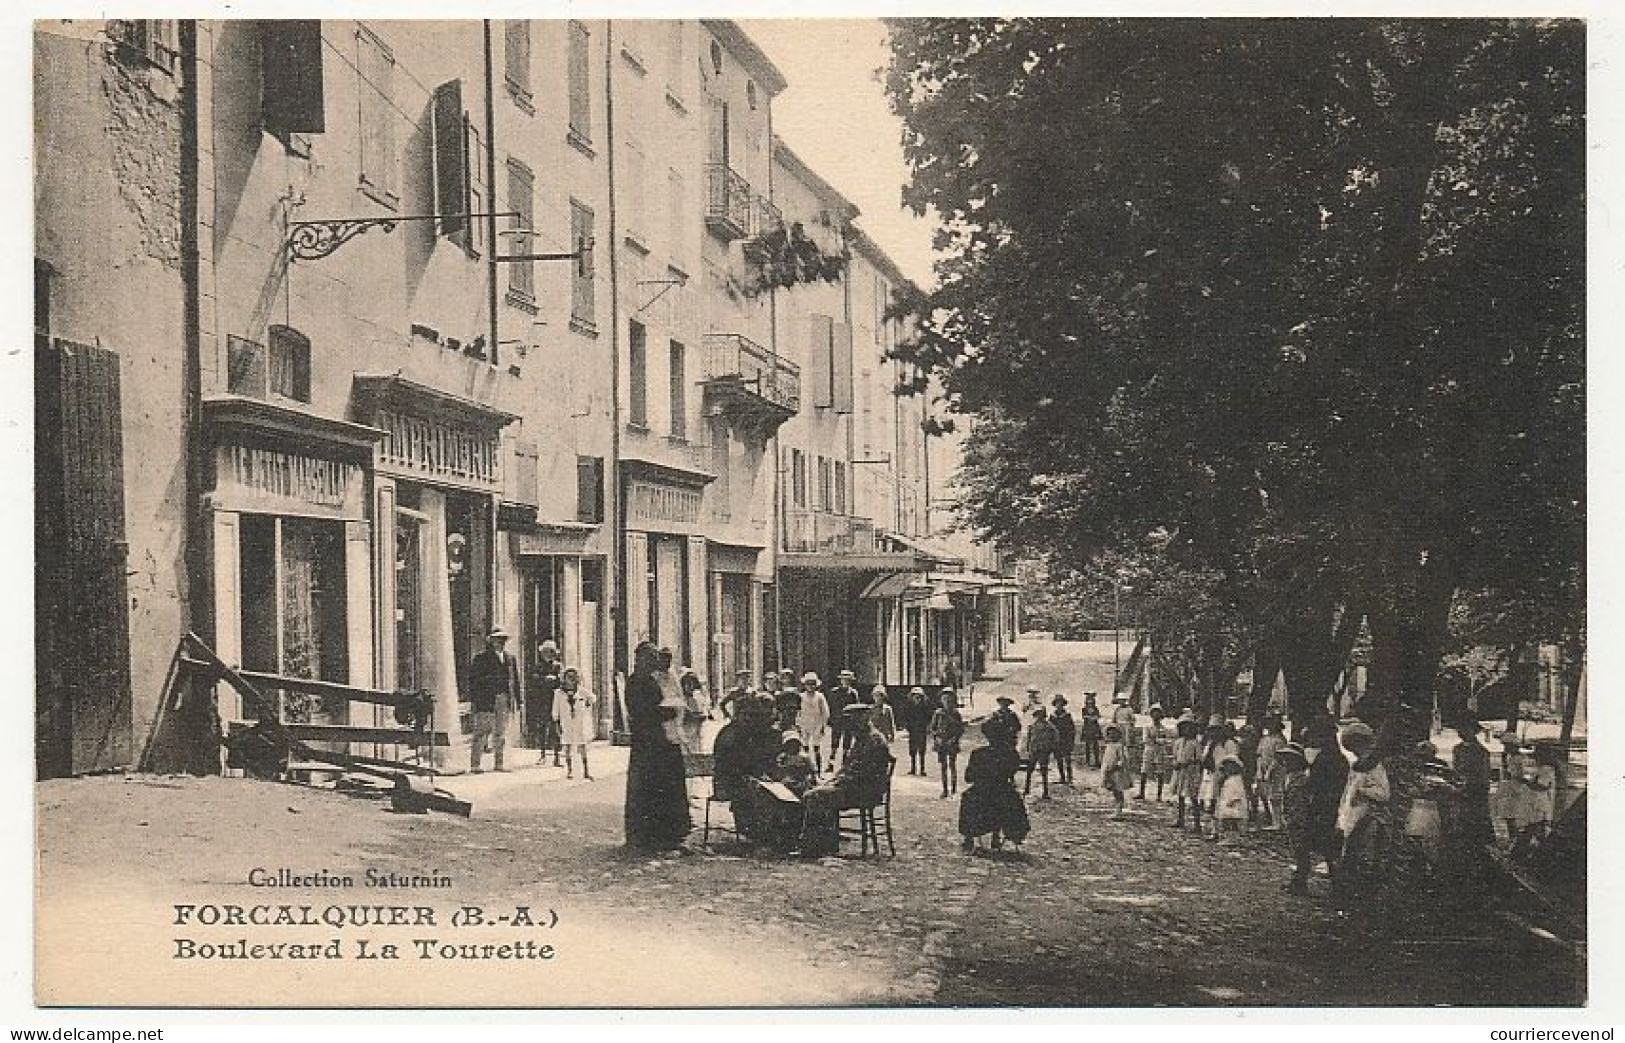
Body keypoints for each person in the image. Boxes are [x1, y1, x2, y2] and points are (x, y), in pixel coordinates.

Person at [624, 641, 693, 851]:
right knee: (648, 786)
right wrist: (666, 712)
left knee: (668, 783)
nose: (655, 661)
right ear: (641, 659)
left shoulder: (653, 680)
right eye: (651, 657)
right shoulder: (635, 682)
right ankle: (646, 834)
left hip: (661, 740)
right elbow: (641, 712)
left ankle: (669, 833)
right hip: (648, 742)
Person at [799, 706, 894, 856]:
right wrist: (833, 781)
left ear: (863, 720)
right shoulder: (864, 738)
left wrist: (837, 782)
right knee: (816, 791)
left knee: (814, 796)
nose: (850, 728)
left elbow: (863, 773)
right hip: (856, 787)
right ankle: (826, 844)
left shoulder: (873, 741)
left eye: (852, 723)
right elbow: (847, 768)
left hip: (864, 791)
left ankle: (813, 847)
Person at [1335, 721, 1393, 908]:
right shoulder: (1357, 766)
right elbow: (1348, 792)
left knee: (1366, 856)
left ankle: (1365, 896)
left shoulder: (1374, 766)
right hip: (1353, 816)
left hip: (1368, 817)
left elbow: (1384, 794)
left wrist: (1364, 792)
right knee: (1351, 854)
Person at [959, 718, 1031, 853]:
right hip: (1003, 790)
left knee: (968, 798)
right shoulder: (1010, 753)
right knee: (1011, 800)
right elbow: (1013, 771)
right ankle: (998, 835)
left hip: (981, 790)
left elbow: (968, 777)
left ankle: (968, 837)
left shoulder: (978, 753)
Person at [469, 629, 519, 773]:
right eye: (498, 639)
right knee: (481, 731)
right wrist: (475, 701)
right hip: (486, 699)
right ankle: (475, 764)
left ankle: (499, 763)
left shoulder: (510, 658)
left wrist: (517, 699)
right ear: (490, 641)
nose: (501, 643)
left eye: (503, 639)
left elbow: (514, 680)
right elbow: (473, 681)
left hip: (504, 698)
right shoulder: (481, 658)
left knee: (500, 732)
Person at [551, 667, 597, 780]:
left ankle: (586, 771)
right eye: (569, 677)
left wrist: (586, 704)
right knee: (567, 746)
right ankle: (570, 770)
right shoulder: (559, 693)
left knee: (582, 746)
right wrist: (557, 724)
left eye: (574, 677)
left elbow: (593, 698)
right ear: (564, 679)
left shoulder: (581, 691)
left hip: (579, 722)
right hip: (566, 722)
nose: (571, 680)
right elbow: (555, 710)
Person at [528, 639, 563, 765]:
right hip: (542, 700)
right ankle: (542, 754)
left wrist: (555, 679)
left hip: (555, 700)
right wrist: (544, 679)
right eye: (546, 652)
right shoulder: (538, 666)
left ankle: (557, 756)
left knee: (556, 728)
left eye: (551, 652)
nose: (548, 654)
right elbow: (534, 680)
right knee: (542, 727)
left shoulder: (558, 666)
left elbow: (563, 681)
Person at [929, 691, 967, 798]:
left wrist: (954, 739)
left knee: (952, 765)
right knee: (943, 766)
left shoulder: (956, 714)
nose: (947, 702)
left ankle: (954, 788)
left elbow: (960, 729)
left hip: (952, 743)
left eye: (949, 700)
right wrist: (937, 738)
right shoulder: (938, 713)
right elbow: (932, 728)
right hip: (941, 743)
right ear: (941, 701)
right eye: (944, 699)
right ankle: (945, 789)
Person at [1170, 717, 1204, 830]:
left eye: (1189, 727)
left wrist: (1189, 763)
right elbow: (1174, 756)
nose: (1186, 730)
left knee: (1193, 797)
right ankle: (1180, 819)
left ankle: (1197, 823)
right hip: (1180, 772)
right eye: (1184, 727)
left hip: (1190, 772)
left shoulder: (1195, 743)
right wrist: (1175, 763)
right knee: (1180, 796)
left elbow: (1199, 759)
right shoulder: (1178, 742)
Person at [795, 672, 832, 774]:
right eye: (808, 684)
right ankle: (807, 772)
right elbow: (798, 711)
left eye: (813, 684)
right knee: (805, 748)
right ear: (805, 685)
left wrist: (823, 725)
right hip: (804, 724)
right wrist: (798, 723)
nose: (811, 686)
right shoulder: (801, 696)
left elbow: (825, 712)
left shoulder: (820, 697)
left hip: (816, 724)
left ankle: (819, 772)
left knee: (816, 748)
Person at [1255, 716, 1287, 830]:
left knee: (1276, 796)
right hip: (1263, 769)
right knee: (1265, 794)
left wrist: (1269, 771)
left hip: (1276, 770)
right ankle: (1272, 819)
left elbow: (1278, 757)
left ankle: (1277, 821)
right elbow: (1259, 755)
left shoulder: (1280, 740)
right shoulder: (1264, 739)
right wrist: (1260, 770)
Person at [826, 669, 863, 766]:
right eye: (844, 679)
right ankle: (831, 763)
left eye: (848, 680)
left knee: (847, 742)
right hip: (837, 720)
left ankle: (845, 762)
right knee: (835, 742)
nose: (846, 682)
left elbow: (856, 707)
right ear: (840, 680)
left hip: (849, 721)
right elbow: (830, 706)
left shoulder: (853, 693)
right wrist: (831, 719)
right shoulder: (834, 692)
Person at [1022, 706, 1058, 799]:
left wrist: (1051, 748)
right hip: (1034, 751)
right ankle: (1026, 789)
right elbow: (1029, 739)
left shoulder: (1049, 727)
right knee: (1029, 770)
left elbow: (1055, 738)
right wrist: (1028, 749)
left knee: (1044, 772)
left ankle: (1045, 792)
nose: (1039, 717)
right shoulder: (1032, 726)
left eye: (1041, 715)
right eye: (1038, 715)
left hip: (1044, 751)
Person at [1138, 705, 1172, 802]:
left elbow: (1166, 740)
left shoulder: (1163, 728)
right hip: (1149, 750)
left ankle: (1159, 795)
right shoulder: (1147, 727)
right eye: (1154, 713)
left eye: (1158, 713)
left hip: (1159, 751)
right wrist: (1157, 740)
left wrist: (1159, 740)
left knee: (1160, 772)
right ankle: (1141, 793)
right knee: (1144, 771)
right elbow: (1146, 739)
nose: (1156, 716)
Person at [1213, 754, 1249, 843]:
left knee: (1232, 821)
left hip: (1234, 804)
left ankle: (1234, 838)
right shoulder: (1228, 779)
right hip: (1227, 803)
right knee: (1227, 821)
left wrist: (1233, 800)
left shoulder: (1237, 779)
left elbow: (1238, 792)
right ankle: (1228, 837)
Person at [1101, 725, 1132, 818]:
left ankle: (1119, 811)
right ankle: (1117, 809)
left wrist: (1117, 766)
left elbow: (1123, 759)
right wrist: (1106, 769)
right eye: (1109, 734)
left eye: (1114, 734)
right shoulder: (1109, 746)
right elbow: (1107, 758)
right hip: (1109, 771)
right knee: (1114, 790)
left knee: (1118, 790)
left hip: (1117, 772)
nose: (1112, 736)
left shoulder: (1120, 746)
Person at [901, 686, 932, 776]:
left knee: (922, 750)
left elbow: (928, 716)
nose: (916, 698)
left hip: (922, 730)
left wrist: (928, 726)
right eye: (915, 696)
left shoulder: (925, 706)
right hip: (913, 730)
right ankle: (913, 768)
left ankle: (922, 769)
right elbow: (906, 716)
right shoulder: (909, 706)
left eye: (918, 696)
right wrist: (907, 726)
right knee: (912, 750)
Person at [678, 670, 708, 755]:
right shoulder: (681, 700)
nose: (690, 687)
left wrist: (701, 716)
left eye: (692, 684)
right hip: (686, 732)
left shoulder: (695, 699)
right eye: (687, 684)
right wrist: (696, 717)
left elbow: (699, 711)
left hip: (695, 731)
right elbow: (682, 716)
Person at [1050, 696, 1077, 786]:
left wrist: (1071, 740)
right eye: (1057, 703)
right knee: (1059, 760)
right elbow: (1050, 729)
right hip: (1056, 741)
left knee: (1067, 760)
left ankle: (1069, 778)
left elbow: (1072, 729)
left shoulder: (1067, 716)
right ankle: (1062, 777)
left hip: (1066, 740)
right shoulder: (1052, 716)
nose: (1059, 705)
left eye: (1060, 703)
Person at [773, 669, 802, 733]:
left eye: (788, 678)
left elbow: (799, 709)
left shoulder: (796, 693)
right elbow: (776, 708)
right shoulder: (778, 694)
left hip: (793, 718)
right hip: (782, 717)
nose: (786, 680)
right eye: (784, 678)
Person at [1078, 704, 1104, 769]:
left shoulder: (1095, 709)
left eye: (1091, 701)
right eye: (1089, 701)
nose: (1090, 702)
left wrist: (1091, 717)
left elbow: (1098, 716)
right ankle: (1088, 761)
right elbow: (1084, 717)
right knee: (1087, 745)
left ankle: (1097, 761)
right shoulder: (1084, 709)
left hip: (1094, 728)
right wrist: (1092, 717)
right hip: (1087, 728)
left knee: (1095, 745)